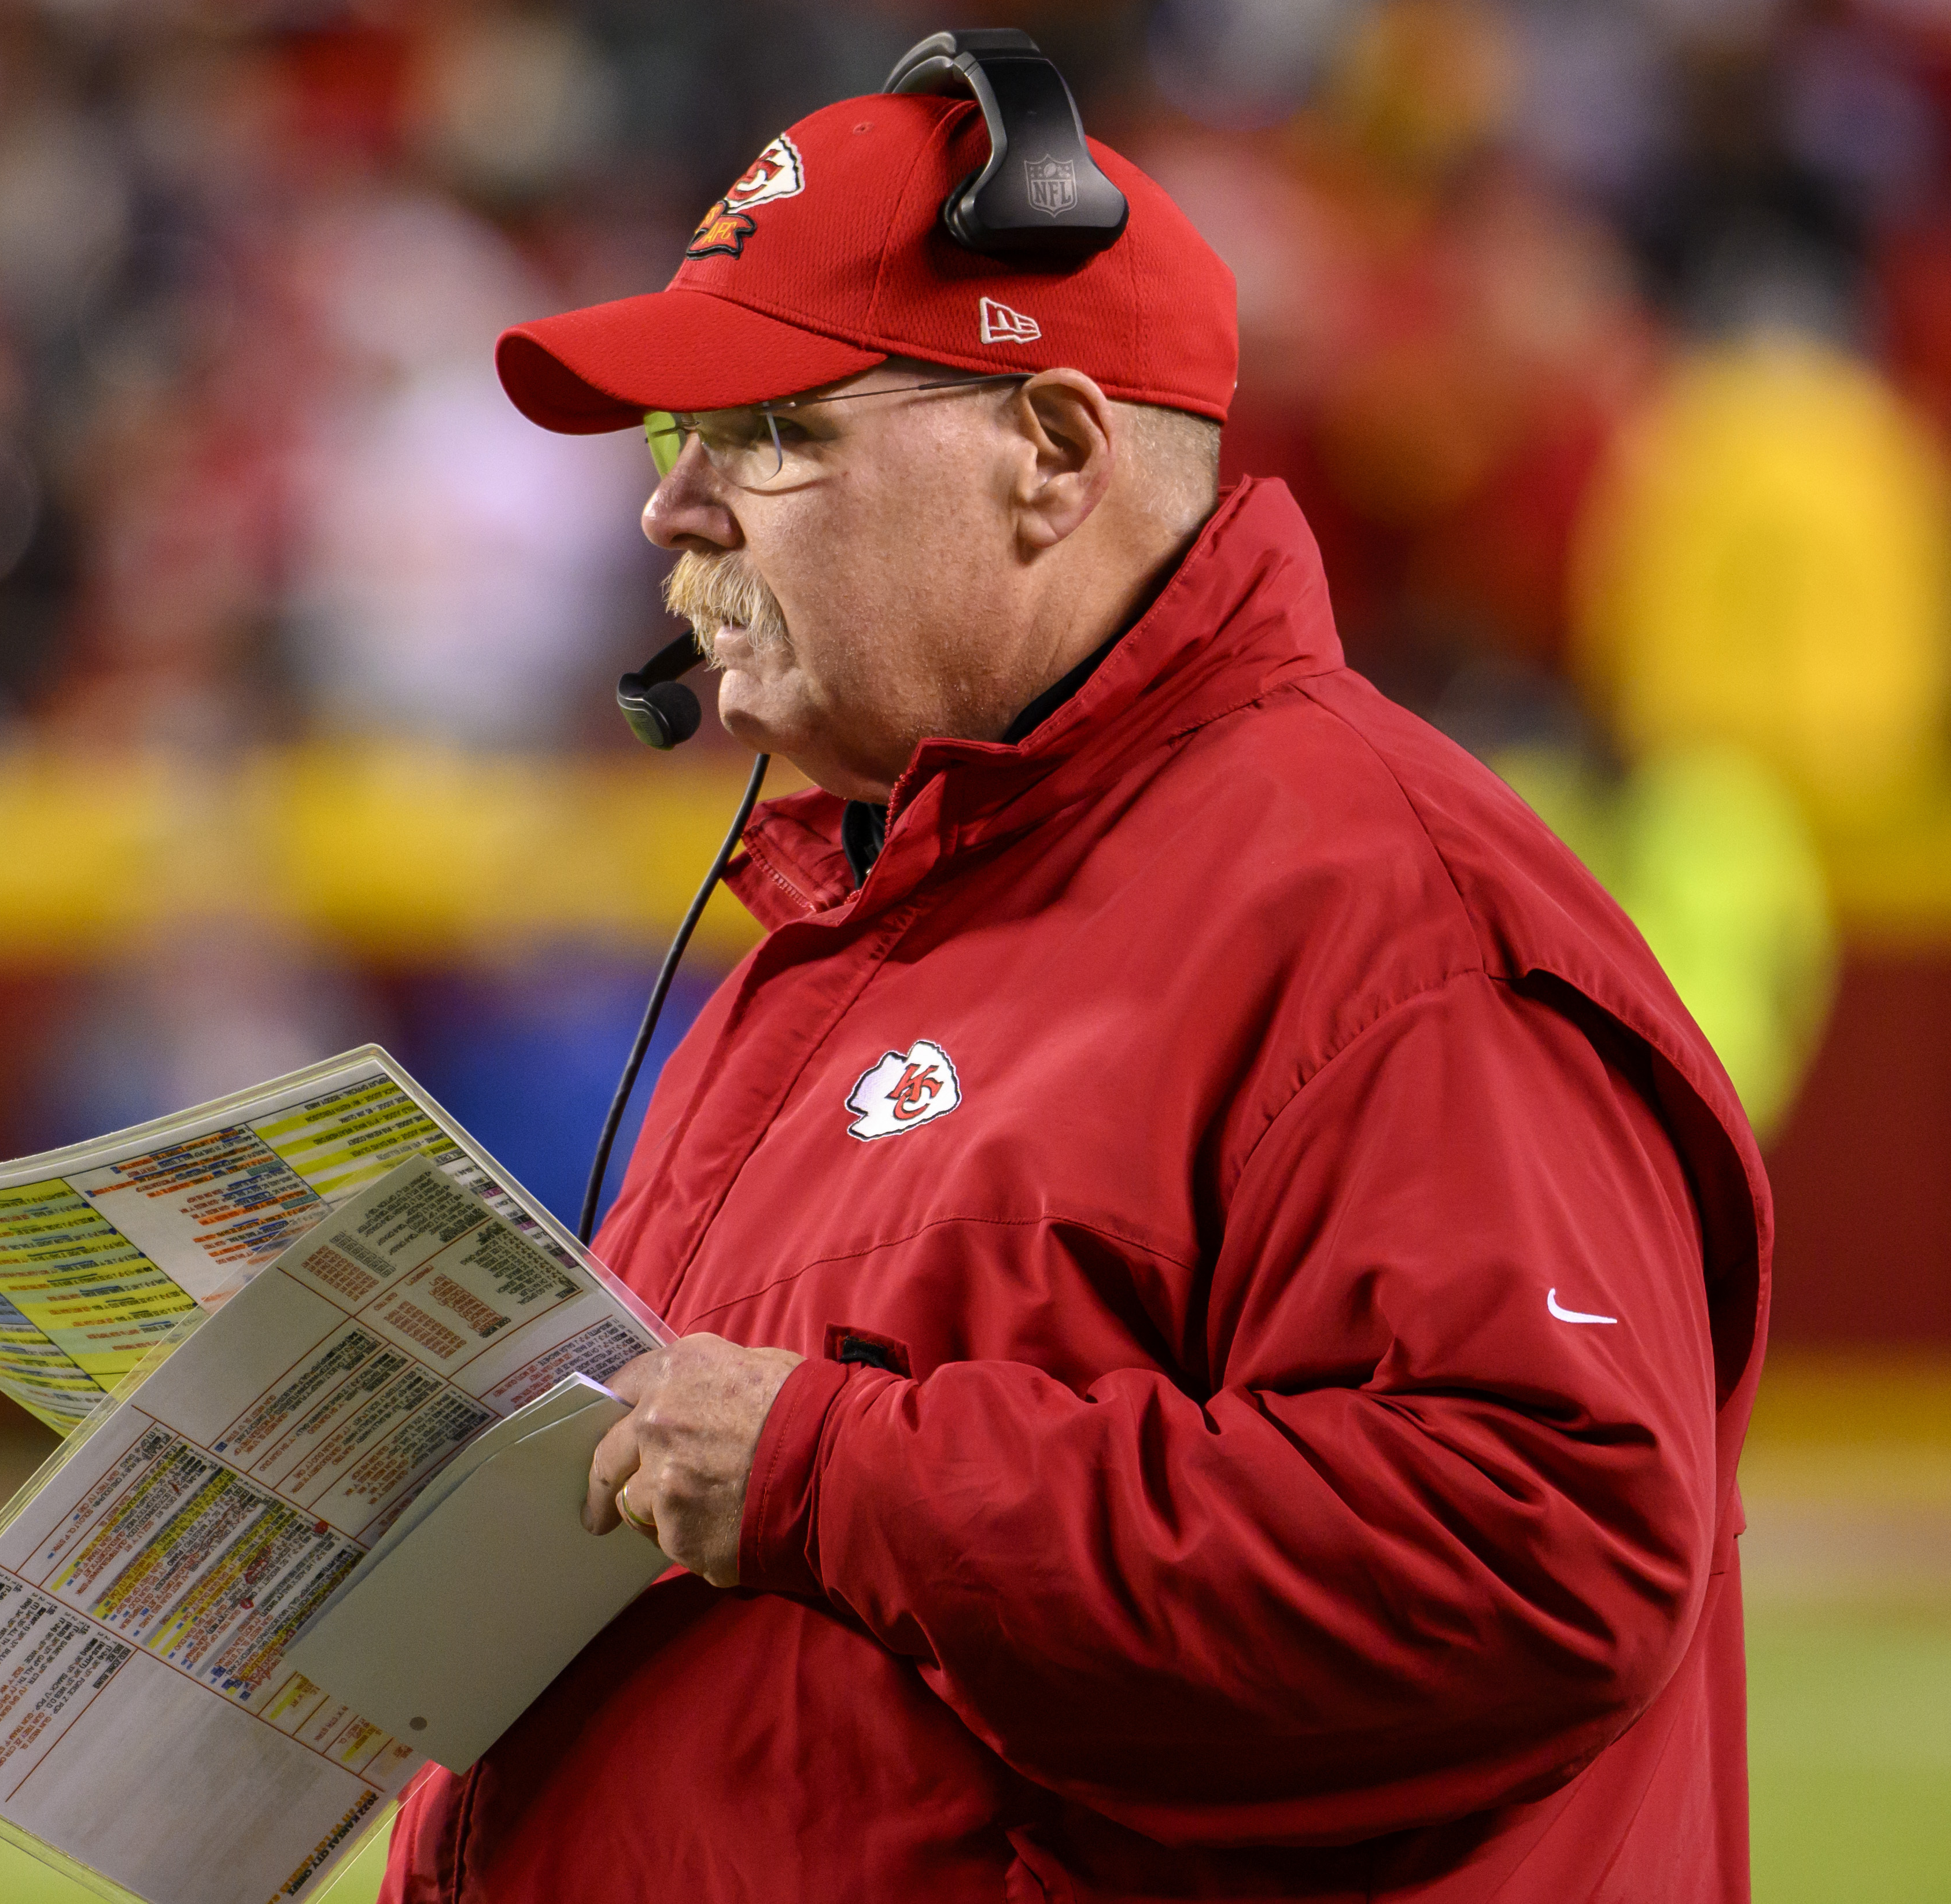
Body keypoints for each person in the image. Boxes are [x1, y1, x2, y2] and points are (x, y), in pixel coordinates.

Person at [377, 80, 1769, 1904]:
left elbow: (1540, 1551)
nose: (677, 513)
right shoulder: (864, 911)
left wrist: (833, 1470)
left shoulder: (1374, 910)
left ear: (1050, 449)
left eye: (769, 429)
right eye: (669, 437)